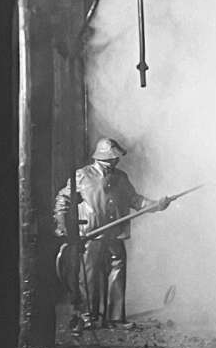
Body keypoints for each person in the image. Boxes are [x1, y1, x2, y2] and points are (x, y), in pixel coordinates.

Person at [54, 137, 169, 328]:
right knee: (89, 275)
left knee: (117, 272)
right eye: (113, 157)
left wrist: (156, 205)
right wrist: (62, 225)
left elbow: (135, 200)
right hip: (92, 234)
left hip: (114, 234)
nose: (116, 161)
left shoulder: (120, 178)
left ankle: (115, 318)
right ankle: (88, 317)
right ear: (103, 157)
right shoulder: (83, 175)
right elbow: (62, 199)